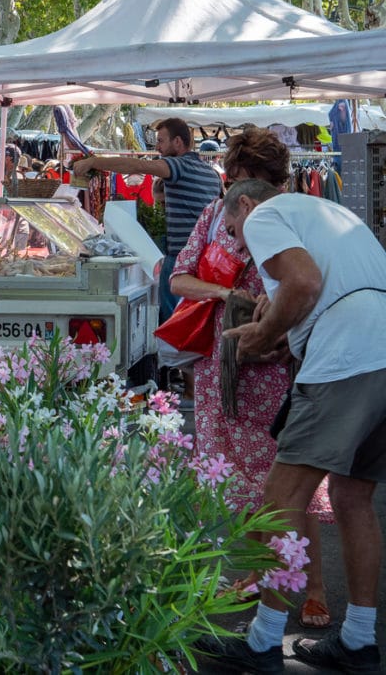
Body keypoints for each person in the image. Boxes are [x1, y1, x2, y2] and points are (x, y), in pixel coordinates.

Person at [200, 178, 386, 672]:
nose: (239, 243)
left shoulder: (265, 215)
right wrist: (288, 334)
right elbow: (327, 290)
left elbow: (304, 283)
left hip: (346, 359)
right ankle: (359, 641)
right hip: (380, 352)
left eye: (234, 231)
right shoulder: (326, 211)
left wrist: (263, 333)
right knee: (352, 498)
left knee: (281, 499)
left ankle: (262, 643)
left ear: (244, 204)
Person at [169, 128, 331, 626]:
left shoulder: (297, 217)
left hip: (275, 365)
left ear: (273, 182)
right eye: (236, 180)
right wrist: (222, 296)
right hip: (222, 366)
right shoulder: (213, 217)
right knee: (236, 482)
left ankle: (314, 587)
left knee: (287, 485)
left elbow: (313, 286)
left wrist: (279, 321)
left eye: (252, 181)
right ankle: (262, 574)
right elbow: (178, 277)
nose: (241, 193)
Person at [73, 117, 222, 326]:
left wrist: (94, 162)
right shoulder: (212, 175)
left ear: (178, 142)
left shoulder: (177, 166)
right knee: (197, 322)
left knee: (173, 324)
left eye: (161, 141)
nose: (158, 148)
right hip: (205, 260)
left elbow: (136, 165)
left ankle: (169, 358)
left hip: (181, 259)